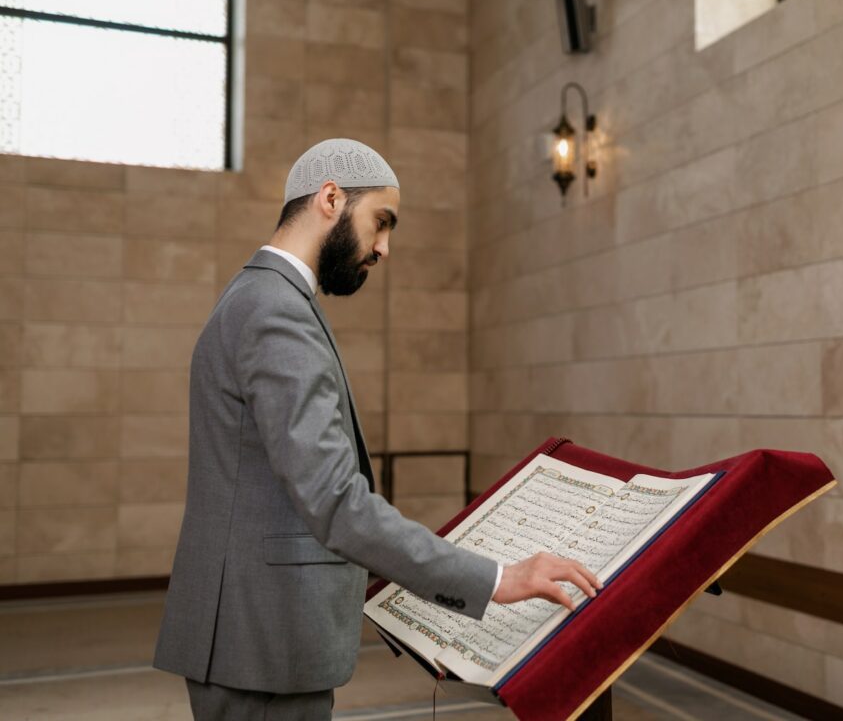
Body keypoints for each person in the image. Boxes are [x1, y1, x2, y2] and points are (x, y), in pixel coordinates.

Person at [154, 138, 600, 720]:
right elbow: (336, 501)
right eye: (381, 222)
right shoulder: (277, 311)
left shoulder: (261, 296)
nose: (385, 248)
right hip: (262, 643)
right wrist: (495, 578)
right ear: (331, 199)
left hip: (252, 636)